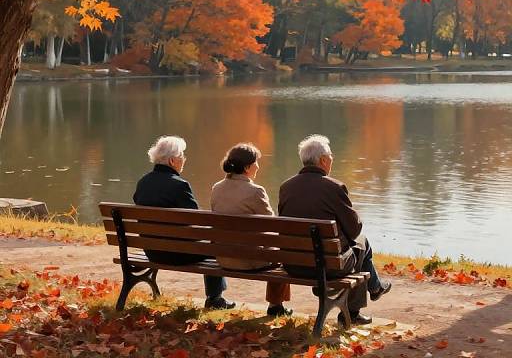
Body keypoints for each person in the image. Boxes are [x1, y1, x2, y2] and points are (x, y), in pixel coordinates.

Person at [278, 134, 391, 325]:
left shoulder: (285, 187)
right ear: (322, 160)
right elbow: (354, 230)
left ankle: (375, 287)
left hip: (293, 265)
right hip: (327, 267)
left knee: (356, 247)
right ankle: (355, 310)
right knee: (362, 243)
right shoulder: (334, 187)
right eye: (331, 155)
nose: (332, 159)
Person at [133, 135, 235, 310]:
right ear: (173, 160)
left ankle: (215, 297)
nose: (184, 160)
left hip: (152, 250)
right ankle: (215, 298)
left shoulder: (143, 182)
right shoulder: (179, 185)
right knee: (215, 244)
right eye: (182, 156)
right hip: (177, 254)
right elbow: (197, 221)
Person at [210, 143, 292, 317]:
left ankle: (214, 296)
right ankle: (275, 306)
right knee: (280, 249)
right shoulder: (256, 191)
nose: (258, 166)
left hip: (223, 257)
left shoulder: (216, 188)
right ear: (247, 167)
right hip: (249, 261)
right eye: (256, 162)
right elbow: (272, 226)